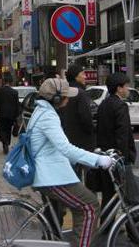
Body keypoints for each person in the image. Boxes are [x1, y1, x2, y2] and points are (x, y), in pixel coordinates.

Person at [28, 78, 112, 247]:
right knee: (89, 206)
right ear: (56, 99)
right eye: (65, 96)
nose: (68, 99)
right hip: (51, 176)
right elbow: (66, 149)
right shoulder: (48, 117)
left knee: (77, 207)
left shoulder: (42, 111)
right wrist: (97, 160)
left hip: (51, 172)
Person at [97, 73, 137, 216]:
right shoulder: (120, 105)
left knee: (108, 196)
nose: (128, 89)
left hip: (105, 156)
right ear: (119, 88)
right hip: (119, 158)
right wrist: (124, 158)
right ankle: (136, 232)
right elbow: (123, 135)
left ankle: (106, 230)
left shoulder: (103, 104)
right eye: (126, 86)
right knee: (131, 197)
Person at [58, 64, 95, 178]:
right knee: (87, 175)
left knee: (71, 174)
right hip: (82, 141)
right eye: (83, 74)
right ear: (75, 77)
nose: (85, 77)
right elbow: (86, 118)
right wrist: (92, 131)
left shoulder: (64, 92)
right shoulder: (81, 93)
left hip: (65, 139)